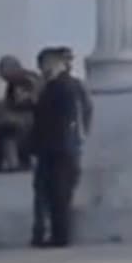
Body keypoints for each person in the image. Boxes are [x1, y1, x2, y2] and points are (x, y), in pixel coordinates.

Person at [27, 47, 91, 249]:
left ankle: (58, 235)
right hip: (58, 146)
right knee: (52, 192)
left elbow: (53, 119)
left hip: (59, 146)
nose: (44, 68)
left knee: (58, 192)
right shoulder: (59, 86)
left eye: (46, 64)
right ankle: (52, 234)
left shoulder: (62, 87)